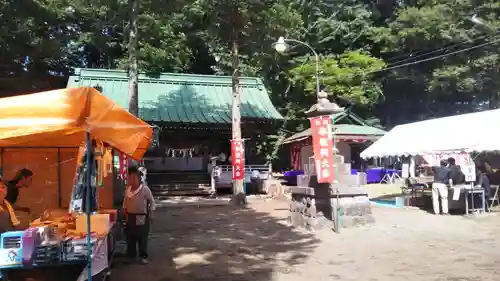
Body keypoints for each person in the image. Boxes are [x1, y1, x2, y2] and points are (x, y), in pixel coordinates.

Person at [123, 166, 155, 264]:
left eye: (133, 178)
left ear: (138, 178)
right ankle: (131, 253)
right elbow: (125, 203)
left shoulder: (145, 189)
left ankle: (143, 256)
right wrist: (124, 213)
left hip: (142, 217)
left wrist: (152, 213)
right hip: (130, 217)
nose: (131, 180)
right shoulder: (127, 190)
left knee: (142, 238)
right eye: (130, 178)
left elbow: (152, 202)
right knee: (130, 237)